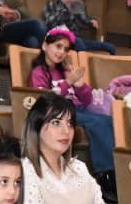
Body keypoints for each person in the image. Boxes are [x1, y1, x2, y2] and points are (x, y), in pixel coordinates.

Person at [30, 27, 115, 177]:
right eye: (58, 46)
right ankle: (105, 172)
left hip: (79, 109)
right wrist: (68, 82)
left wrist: (80, 85)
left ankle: (113, 168)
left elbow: (87, 101)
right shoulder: (39, 72)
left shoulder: (66, 71)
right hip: (60, 111)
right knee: (98, 122)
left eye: (65, 49)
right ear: (44, 46)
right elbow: (44, 99)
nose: (61, 52)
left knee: (109, 120)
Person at [43, 0, 114, 54]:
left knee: (110, 47)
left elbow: (83, 19)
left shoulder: (76, 5)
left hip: (77, 38)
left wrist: (90, 21)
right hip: (59, 38)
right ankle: (82, 59)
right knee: (79, 43)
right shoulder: (51, 4)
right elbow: (50, 23)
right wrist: (65, 10)